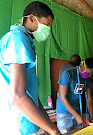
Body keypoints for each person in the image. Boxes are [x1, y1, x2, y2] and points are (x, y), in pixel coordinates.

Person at [0, 1, 61, 135]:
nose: (48, 30)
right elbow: (17, 97)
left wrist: (49, 126)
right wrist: (53, 130)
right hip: (19, 125)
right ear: (32, 18)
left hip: (29, 122)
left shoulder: (26, 41)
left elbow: (32, 96)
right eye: (47, 25)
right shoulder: (17, 39)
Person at [56, 58, 93, 134]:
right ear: (83, 66)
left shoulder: (87, 79)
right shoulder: (68, 74)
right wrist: (77, 116)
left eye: (91, 74)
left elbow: (89, 100)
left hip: (77, 111)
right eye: (88, 73)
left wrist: (92, 118)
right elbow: (63, 97)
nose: (89, 76)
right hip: (64, 114)